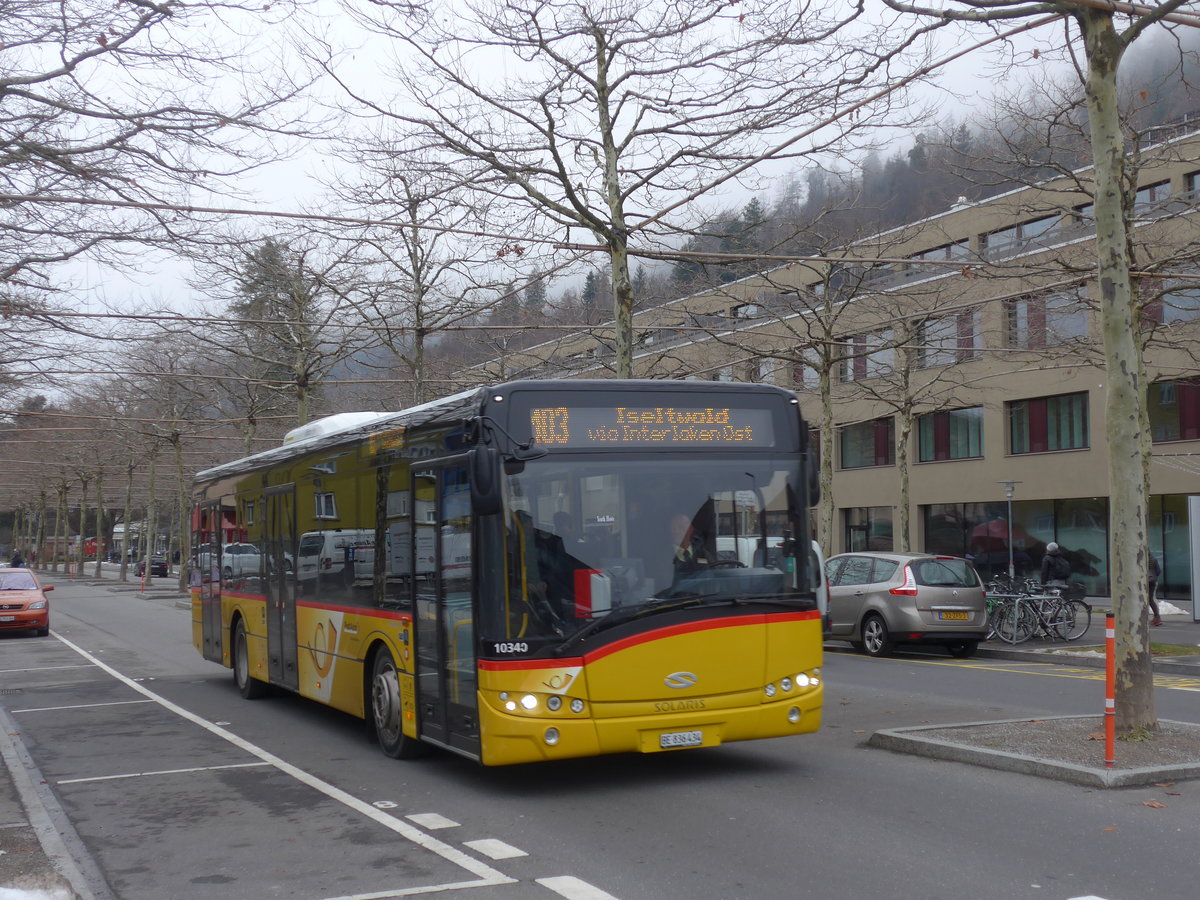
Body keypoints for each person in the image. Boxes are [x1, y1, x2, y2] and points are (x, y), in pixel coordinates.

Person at [1148, 553, 1162, 627]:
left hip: (1144, 581)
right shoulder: (1154, 559)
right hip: (1153, 581)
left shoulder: (1141, 559)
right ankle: (1157, 617)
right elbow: (1158, 571)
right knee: (1151, 599)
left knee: (1146, 599)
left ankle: (1156, 617)